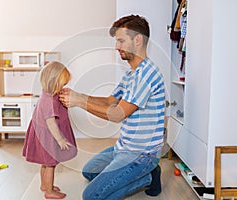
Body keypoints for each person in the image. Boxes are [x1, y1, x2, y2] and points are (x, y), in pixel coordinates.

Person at [59, 14, 165, 199]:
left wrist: (79, 103)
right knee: (89, 172)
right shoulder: (131, 74)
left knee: (91, 196)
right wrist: (79, 96)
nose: (117, 47)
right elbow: (110, 101)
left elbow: (117, 114)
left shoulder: (146, 75)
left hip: (141, 155)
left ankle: (148, 176)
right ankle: (140, 174)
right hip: (123, 148)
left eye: (121, 41)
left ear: (138, 40)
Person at [22, 61, 77, 199]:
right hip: (47, 136)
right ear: (53, 82)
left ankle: (44, 185)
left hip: (41, 134)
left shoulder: (47, 94)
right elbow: (51, 122)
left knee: (45, 163)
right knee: (50, 164)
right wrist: (60, 139)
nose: (63, 87)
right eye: (61, 84)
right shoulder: (49, 101)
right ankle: (49, 191)